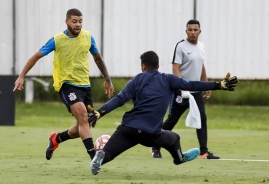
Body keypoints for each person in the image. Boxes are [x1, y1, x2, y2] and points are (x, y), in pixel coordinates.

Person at [87, 51, 237, 175]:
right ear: (158, 65)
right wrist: (219, 85)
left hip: (128, 129)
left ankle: (101, 156)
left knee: (109, 154)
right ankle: (179, 158)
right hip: (151, 133)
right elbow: (192, 84)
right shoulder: (168, 79)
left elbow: (120, 99)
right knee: (174, 138)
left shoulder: (137, 79)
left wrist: (100, 112)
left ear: (143, 66)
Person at [13, 8, 114, 161]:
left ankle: (56, 139)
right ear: (66, 21)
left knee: (83, 124)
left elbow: (98, 58)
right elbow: (36, 56)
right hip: (66, 85)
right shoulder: (57, 40)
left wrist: (107, 79)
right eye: (74, 21)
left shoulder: (88, 37)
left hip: (85, 86)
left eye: (80, 21)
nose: (78, 24)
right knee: (81, 114)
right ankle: (94, 158)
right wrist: (21, 76)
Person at [151, 19, 220, 159]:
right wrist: (182, 87)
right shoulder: (181, 46)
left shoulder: (201, 46)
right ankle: (155, 146)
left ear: (200, 32)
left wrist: (206, 86)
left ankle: (204, 152)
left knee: (202, 118)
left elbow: (201, 67)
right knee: (172, 120)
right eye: (190, 30)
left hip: (196, 91)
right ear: (186, 31)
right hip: (181, 91)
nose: (193, 32)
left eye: (195, 30)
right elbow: (175, 68)